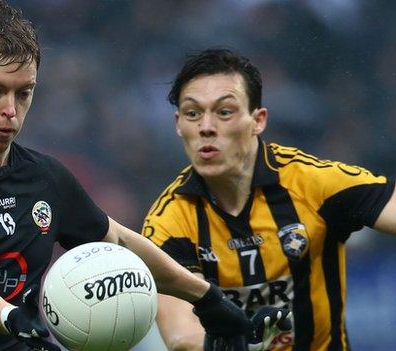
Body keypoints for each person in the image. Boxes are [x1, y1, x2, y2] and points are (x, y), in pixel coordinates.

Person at [0, 3, 257, 351]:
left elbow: (119, 240)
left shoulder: (45, 178)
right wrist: (12, 318)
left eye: (24, 93)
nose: (10, 110)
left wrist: (209, 299)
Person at [143, 48, 396, 351]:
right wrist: (247, 345)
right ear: (178, 124)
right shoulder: (169, 221)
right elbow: (182, 337)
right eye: (192, 113)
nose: (206, 127)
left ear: (258, 120)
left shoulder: (311, 183)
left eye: (224, 112)